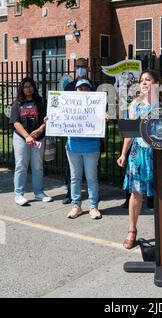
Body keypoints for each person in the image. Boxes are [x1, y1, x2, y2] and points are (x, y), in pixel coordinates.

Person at [117, 70, 162, 249]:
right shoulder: (135, 105)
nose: (144, 83)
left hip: (161, 154)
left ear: (157, 83)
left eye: (148, 80)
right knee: (136, 194)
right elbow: (129, 132)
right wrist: (123, 153)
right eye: (142, 80)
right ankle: (132, 230)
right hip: (140, 154)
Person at [9, 77, 52, 205]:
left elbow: (47, 119)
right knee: (21, 165)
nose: (29, 88)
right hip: (21, 138)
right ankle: (19, 194)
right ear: (22, 89)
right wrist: (27, 136)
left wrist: (40, 129)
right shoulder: (17, 103)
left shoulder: (41, 102)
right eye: (26, 86)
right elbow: (15, 122)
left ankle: (39, 193)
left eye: (31, 86)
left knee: (37, 166)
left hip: (38, 138)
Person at [66, 79, 102, 219]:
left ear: (90, 90)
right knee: (75, 178)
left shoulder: (96, 105)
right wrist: (51, 120)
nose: (83, 90)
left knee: (91, 178)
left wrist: (104, 117)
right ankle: (76, 205)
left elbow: (102, 120)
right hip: (73, 146)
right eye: (80, 88)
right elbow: (59, 119)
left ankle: (93, 207)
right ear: (75, 90)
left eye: (86, 88)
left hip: (91, 147)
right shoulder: (68, 105)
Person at [62, 57, 95, 204]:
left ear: (87, 68)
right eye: (79, 66)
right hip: (73, 137)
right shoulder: (68, 85)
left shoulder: (94, 85)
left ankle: (93, 199)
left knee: (92, 174)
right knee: (73, 173)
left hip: (91, 138)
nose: (81, 68)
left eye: (84, 66)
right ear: (75, 68)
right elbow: (62, 108)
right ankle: (71, 194)